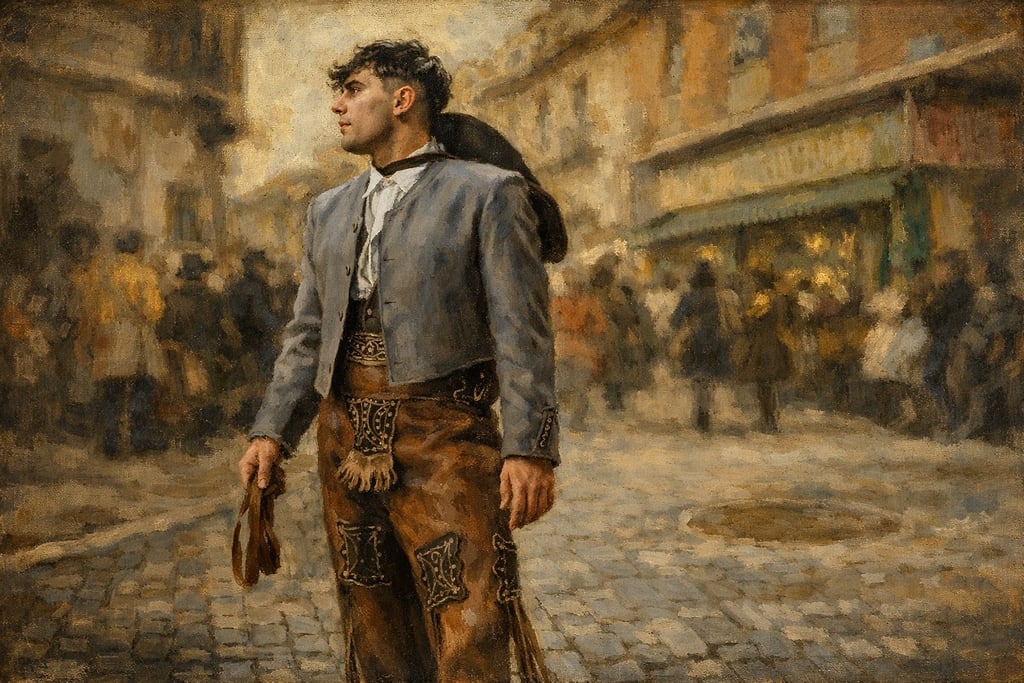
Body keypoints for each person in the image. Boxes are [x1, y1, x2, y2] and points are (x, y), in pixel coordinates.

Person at [237, 40, 558, 682]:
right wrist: (272, 431)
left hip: (445, 438)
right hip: (342, 439)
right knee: (372, 617)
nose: (338, 105)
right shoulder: (327, 210)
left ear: (403, 99)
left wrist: (530, 449)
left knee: (470, 618)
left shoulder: (489, 194)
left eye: (354, 89)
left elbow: (523, 334)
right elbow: (306, 337)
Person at [79, 230, 168, 456]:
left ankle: (111, 443)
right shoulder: (144, 273)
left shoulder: (99, 272)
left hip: (107, 336)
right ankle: (139, 439)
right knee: (141, 387)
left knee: (111, 391)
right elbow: (154, 311)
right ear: (138, 248)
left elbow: (89, 307)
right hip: (135, 337)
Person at [669, 259, 731, 433]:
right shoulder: (718, 296)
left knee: (698, 377)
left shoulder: (688, 297)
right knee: (709, 377)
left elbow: (675, 320)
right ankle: (705, 415)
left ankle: (700, 415)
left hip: (695, 339)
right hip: (715, 339)